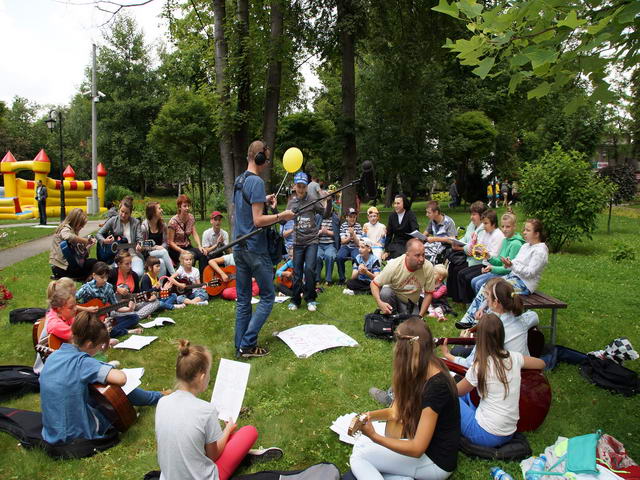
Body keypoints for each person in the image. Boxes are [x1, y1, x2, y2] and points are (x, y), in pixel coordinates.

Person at [349, 317, 460, 480]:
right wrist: (369, 416)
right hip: (425, 451)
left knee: (359, 456)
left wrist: (374, 437)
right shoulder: (428, 365)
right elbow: (396, 412)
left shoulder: (437, 387)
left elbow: (417, 449)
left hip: (435, 463)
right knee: (361, 445)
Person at [155, 339, 282, 480]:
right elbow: (213, 456)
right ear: (202, 377)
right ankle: (244, 457)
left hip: (168, 476)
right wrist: (227, 430)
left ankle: (241, 454)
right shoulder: (206, 410)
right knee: (249, 431)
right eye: (209, 372)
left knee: (214, 440)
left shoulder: (162, 402)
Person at [40, 313, 164, 445]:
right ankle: (157, 397)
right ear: (89, 344)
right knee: (114, 390)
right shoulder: (83, 363)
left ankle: (156, 397)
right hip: (76, 435)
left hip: (51, 431)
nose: (100, 350)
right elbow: (121, 379)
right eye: (100, 346)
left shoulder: (54, 356)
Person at [232, 140, 295, 358]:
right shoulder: (257, 182)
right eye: (266, 159)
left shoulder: (239, 180)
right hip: (255, 249)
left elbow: (244, 208)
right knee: (268, 296)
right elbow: (258, 220)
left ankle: (240, 347)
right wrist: (281, 215)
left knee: (243, 300)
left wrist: (264, 199)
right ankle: (248, 344)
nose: (267, 163)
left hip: (239, 247)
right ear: (259, 158)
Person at [448, 313, 545, 448]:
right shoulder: (514, 357)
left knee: (448, 397)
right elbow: (541, 363)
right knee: (468, 394)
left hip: (484, 434)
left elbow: (455, 393)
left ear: (480, 339)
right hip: (509, 432)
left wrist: (444, 378)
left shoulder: (480, 366)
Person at [456, 219, 549, 329]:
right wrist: (507, 263)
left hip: (525, 284)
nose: (524, 232)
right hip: (513, 277)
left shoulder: (540, 251)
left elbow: (530, 273)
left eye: (528, 230)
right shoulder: (526, 246)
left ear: (537, 234)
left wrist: (511, 265)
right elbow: (515, 263)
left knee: (496, 291)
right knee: (487, 285)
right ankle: (469, 318)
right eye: (524, 229)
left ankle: (481, 322)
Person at [441, 277, 539, 368]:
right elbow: (534, 316)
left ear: (495, 302)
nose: (485, 298)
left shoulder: (491, 327)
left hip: (502, 372)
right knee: (458, 350)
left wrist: (447, 355)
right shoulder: (521, 318)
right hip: (525, 367)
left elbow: (470, 364)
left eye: (487, 294)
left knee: (452, 354)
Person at [33, 277, 101, 374]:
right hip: (50, 368)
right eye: (71, 307)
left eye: (75, 305)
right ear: (59, 309)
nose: (75, 309)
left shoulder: (64, 315)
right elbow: (79, 337)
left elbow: (79, 328)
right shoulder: (55, 324)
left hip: (64, 358)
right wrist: (99, 337)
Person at [286, 171, 332, 312]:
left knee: (310, 269)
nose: (301, 189)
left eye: (303, 186)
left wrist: (329, 201)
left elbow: (326, 214)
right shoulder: (291, 202)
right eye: (298, 186)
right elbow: (283, 220)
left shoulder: (312, 200)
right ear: (295, 186)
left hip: (312, 240)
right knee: (297, 272)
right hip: (298, 242)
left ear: (306, 187)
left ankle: (311, 299)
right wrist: (274, 208)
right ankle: (295, 300)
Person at [371, 238, 435, 316]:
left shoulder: (428, 267)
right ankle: (390, 316)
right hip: (393, 297)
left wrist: (420, 316)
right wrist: (380, 303)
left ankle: (403, 316)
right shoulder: (394, 266)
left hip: (410, 303)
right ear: (407, 255)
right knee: (385, 293)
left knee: (413, 321)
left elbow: (429, 293)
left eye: (423, 255)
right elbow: (374, 284)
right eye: (417, 255)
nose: (421, 259)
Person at [75, 261, 141, 338]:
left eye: (106, 277)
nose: (105, 280)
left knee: (134, 317)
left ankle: (107, 331)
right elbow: (71, 304)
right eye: (102, 277)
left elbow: (116, 307)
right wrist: (87, 309)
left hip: (104, 319)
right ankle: (119, 331)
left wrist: (129, 309)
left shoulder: (108, 287)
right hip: (89, 321)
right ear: (94, 275)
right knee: (95, 328)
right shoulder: (86, 288)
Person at [455, 209, 505, 303]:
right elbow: (479, 246)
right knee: (462, 273)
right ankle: (467, 302)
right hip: (484, 263)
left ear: (493, 224)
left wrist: (480, 252)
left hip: (491, 266)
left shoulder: (498, 235)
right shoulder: (486, 232)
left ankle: (474, 301)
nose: (483, 226)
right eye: (483, 223)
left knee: (469, 278)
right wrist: (476, 248)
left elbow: (493, 256)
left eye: (486, 223)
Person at [470, 212, 524, 294]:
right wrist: (488, 257)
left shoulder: (516, 244)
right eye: (503, 226)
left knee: (479, 284)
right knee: (474, 281)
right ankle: (482, 301)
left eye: (508, 227)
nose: (504, 229)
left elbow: (508, 269)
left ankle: (488, 301)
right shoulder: (505, 240)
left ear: (514, 227)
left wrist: (492, 268)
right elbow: (499, 262)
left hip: (508, 276)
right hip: (500, 272)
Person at [446, 201, 486, 304]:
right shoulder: (472, 225)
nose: (471, 217)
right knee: (452, 266)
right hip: (468, 257)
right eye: (471, 214)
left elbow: (473, 249)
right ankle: (454, 296)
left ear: (481, 215)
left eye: (474, 214)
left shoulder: (484, 229)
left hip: (477, 261)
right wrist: (457, 242)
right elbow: (466, 239)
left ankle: (463, 300)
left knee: (459, 270)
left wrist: (460, 248)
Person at [96, 198, 145, 277]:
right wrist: (104, 241)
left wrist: (140, 246)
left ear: (130, 213)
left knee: (138, 273)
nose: (123, 215)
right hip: (117, 257)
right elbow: (99, 233)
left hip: (133, 255)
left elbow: (140, 239)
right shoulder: (113, 220)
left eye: (126, 213)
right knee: (116, 274)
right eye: (122, 211)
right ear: (119, 209)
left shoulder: (136, 222)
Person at [109, 250, 160, 319]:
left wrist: (146, 298)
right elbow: (104, 285)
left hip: (131, 303)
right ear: (119, 264)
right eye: (127, 264)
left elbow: (137, 294)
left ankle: (135, 315)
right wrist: (117, 289)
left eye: (131, 263)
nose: (130, 266)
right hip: (115, 305)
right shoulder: (113, 273)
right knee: (113, 311)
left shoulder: (134, 275)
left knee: (156, 302)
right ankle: (138, 314)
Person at [49, 208, 97, 281]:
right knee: (95, 264)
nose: (82, 227)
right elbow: (68, 236)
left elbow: (80, 257)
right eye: (81, 225)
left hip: (68, 266)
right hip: (61, 268)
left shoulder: (73, 231)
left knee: (94, 264)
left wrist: (88, 246)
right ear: (75, 221)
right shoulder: (65, 228)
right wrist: (85, 241)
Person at [167, 194, 207, 276]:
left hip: (187, 246)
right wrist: (181, 251)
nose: (187, 208)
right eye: (185, 206)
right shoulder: (173, 221)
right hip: (176, 249)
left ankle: (202, 278)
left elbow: (194, 233)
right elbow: (170, 242)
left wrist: (199, 246)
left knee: (203, 254)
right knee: (191, 255)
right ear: (179, 207)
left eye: (188, 206)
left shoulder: (191, 218)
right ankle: (188, 278)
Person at [140, 201, 175, 277]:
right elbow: (142, 245)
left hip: (161, 253)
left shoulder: (163, 225)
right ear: (153, 212)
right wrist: (155, 247)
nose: (161, 210)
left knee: (161, 262)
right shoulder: (144, 227)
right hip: (148, 254)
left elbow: (165, 242)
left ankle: (160, 283)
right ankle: (174, 276)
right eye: (159, 208)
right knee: (164, 252)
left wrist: (161, 247)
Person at [383, 194, 419, 260]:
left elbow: (415, 230)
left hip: (408, 242)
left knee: (400, 254)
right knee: (396, 251)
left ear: (404, 204)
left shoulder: (410, 214)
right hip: (396, 242)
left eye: (398, 203)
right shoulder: (392, 216)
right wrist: (386, 250)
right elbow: (389, 234)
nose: (396, 205)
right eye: (395, 203)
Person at [336, 207, 364, 285]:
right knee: (339, 257)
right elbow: (343, 241)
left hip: (355, 247)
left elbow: (358, 243)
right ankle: (342, 279)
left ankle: (355, 278)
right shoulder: (343, 226)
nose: (352, 219)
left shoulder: (358, 226)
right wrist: (350, 237)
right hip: (345, 247)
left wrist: (353, 235)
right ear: (346, 217)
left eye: (354, 217)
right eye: (350, 217)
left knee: (357, 258)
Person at [315, 205, 340, 285]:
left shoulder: (335, 218)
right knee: (317, 256)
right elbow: (313, 232)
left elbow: (338, 234)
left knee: (329, 256)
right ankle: (317, 279)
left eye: (329, 207)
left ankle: (328, 279)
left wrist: (328, 232)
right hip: (319, 244)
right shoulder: (317, 217)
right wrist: (320, 232)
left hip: (330, 244)